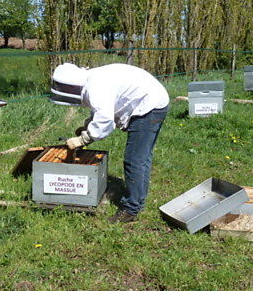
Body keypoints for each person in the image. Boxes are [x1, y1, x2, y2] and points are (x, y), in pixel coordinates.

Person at [50, 62, 170, 223]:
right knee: (141, 157)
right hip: (153, 99)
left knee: (135, 159)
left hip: (149, 106)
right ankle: (138, 201)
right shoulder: (92, 80)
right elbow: (102, 110)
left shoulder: (95, 86)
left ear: (72, 85)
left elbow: (105, 119)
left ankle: (131, 209)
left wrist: (83, 139)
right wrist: (88, 127)